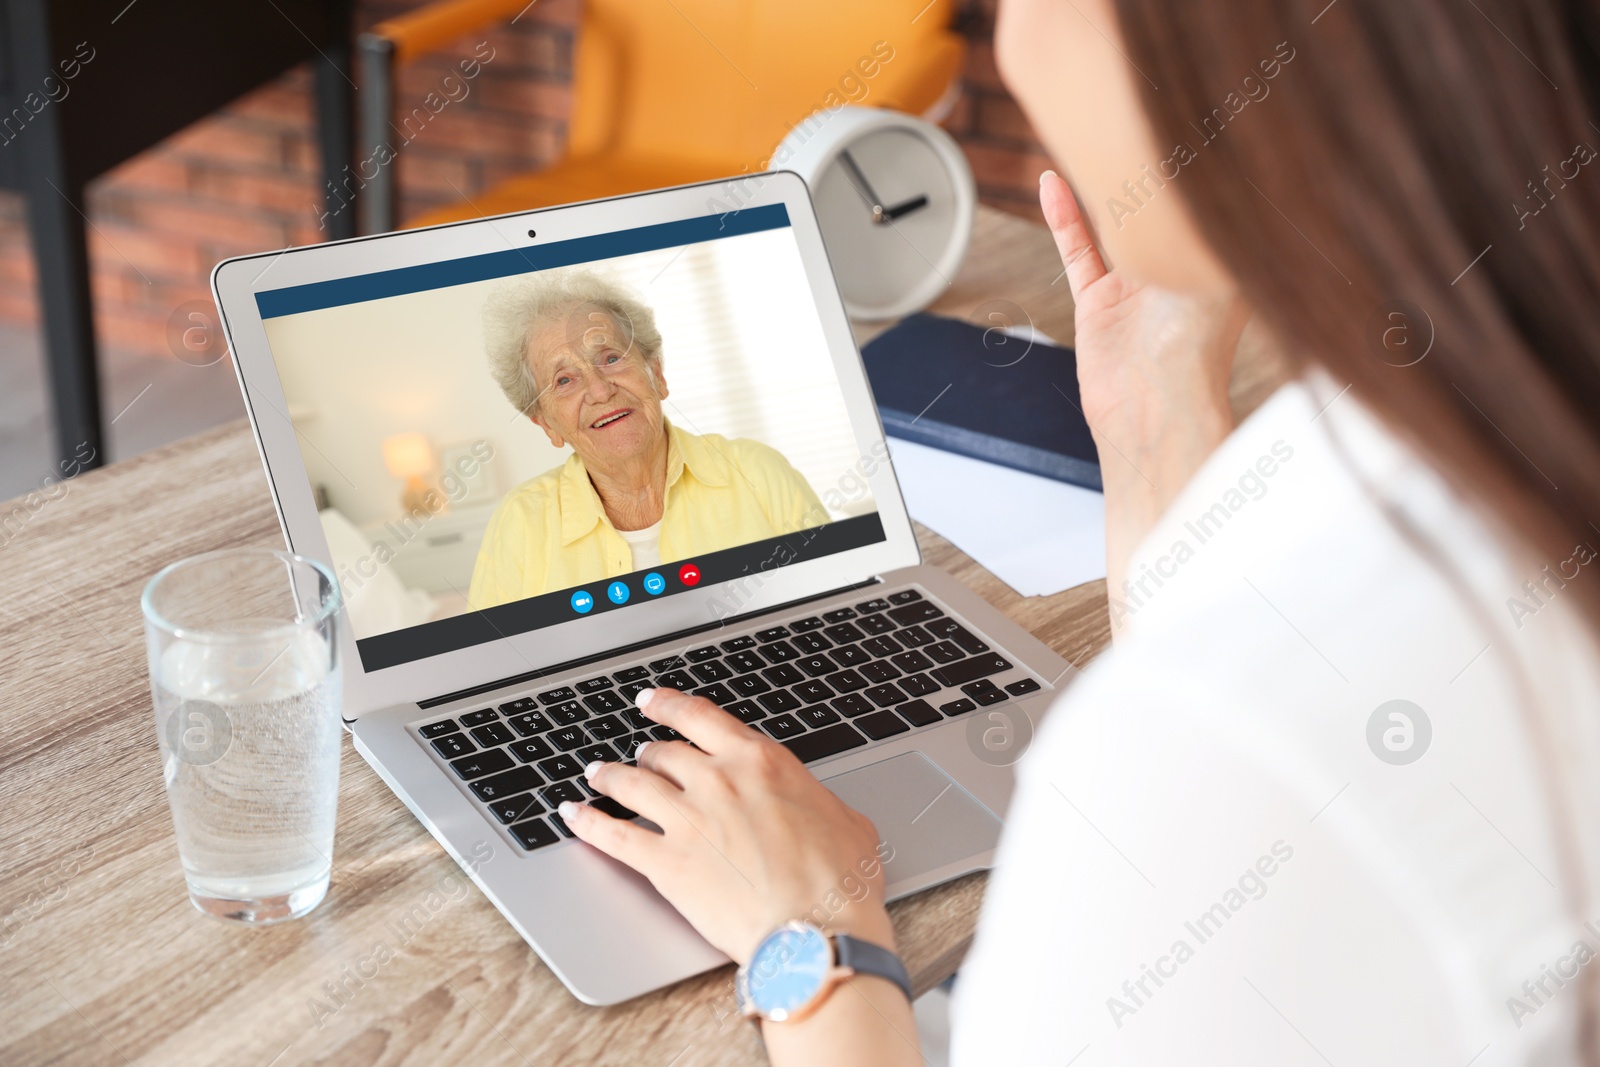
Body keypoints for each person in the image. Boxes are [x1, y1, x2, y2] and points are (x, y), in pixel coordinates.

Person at [553, 0, 1600, 1062]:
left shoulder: (1230, 746)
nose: (1010, 43)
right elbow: (1238, 676)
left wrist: (809, 931)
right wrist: (1155, 414)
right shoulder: (1489, 438)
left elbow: (1234, 738)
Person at [469, 269, 826, 608]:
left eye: (610, 358)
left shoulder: (757, 471)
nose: (599, 389)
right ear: (546, 424)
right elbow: (494, 664)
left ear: (656, 373)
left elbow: (835, 596)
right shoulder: (521, 522)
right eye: (564, 380)